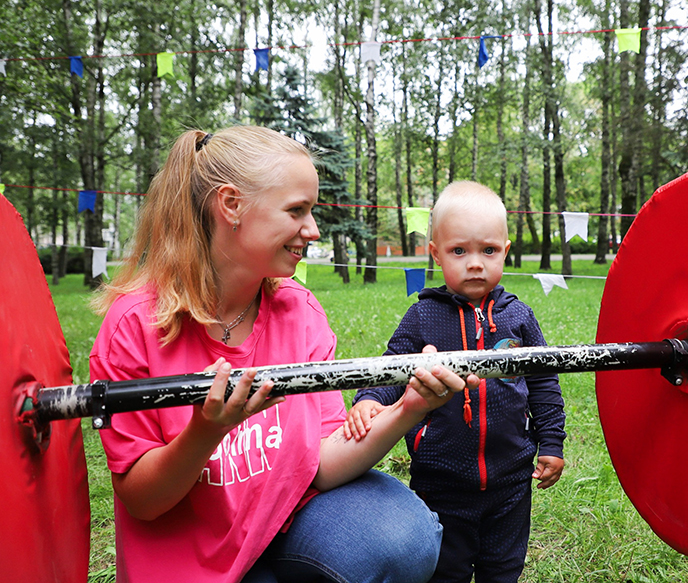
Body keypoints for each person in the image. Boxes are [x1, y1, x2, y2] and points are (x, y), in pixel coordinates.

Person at [89, 125, 479, 583]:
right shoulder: (134, 326)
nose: (312, 230)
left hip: (286, 526)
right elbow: (144, 501)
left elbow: (323, 464)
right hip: (194, 564)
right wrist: (206, 431)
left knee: (403, 540)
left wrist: (412, 406)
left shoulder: (299, 309)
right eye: (296, 211)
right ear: (231, 205)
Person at [344, 181, 567, 583]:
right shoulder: (423, 317)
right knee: (445, 571)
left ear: (505, 250)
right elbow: (393, 366)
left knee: (503, 568)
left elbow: (544, 381)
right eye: (459, 251)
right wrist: (370, 398)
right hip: (441, 480)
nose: (476, 263)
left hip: (512, 479)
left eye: (489, 250)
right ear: (435, 254)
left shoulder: (519, 318)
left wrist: (551, 442)